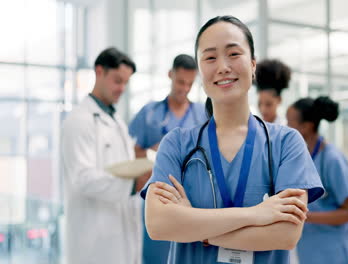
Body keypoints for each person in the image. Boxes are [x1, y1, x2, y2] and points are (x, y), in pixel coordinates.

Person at [140, 15, 324, 264]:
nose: (223, 66)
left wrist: (197, 228)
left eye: (234, 54)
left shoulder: (286, 143)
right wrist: (256, 215)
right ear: (200, 70)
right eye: (210, 57)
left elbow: (286, 234)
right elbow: (159, 224)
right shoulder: (177, 144)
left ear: (253, 65)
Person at [61, 47, 145, 264]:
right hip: (93, 245)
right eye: (118, 80)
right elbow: (82, 178)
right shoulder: (80, 121)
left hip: (121, 238)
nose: (122, 88)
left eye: (126, 83)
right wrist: (133, 185)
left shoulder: (116, 121)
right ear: (99, 72)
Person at [128, 54, 206, 264]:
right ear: (170, 75)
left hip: (192, 197)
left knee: (189, 251)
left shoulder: (201, 114)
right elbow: (136, 148)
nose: (185, 88)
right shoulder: (150, 112)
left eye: (190, 83)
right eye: (180, 82)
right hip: (158, 194)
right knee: (156, 251)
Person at [286, 96, 348, 264]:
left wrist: (305, 216)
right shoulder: (303, 157)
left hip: (333, 252)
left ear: (306, 126)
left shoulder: (332, 160)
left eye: (290, 122)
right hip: (310, 251)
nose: (286, 127)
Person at [255, 59, 291, 124]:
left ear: (279, 100)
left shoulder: (285, 129)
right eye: (259, 104)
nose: (263, 109)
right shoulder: (254, 127)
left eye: (268, 104)